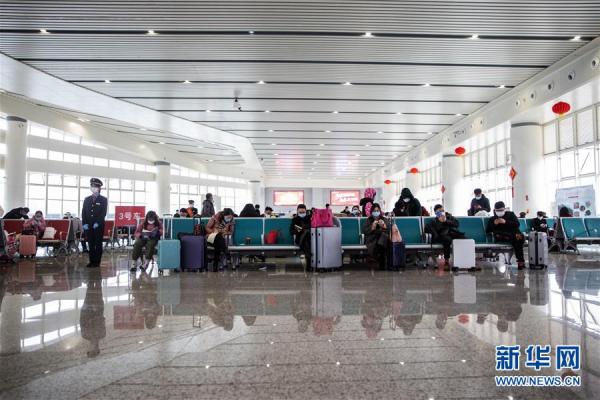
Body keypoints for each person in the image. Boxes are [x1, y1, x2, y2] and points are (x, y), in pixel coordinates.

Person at [486, 201, 525, 269]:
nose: (499, 212)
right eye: (497, 210)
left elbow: (517, 224)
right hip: (501, 236)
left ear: (504, 209)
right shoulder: (493, 219)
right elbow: (488, 230)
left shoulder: (511, 214)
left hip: (512, 235)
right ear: (494, 210)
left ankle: (520, 260)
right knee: (517, 238)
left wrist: (505, 222)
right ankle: (520, 261)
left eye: (501, 210)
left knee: (519, 238)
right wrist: (494, 224)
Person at [425, 204, 465, 270]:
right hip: (443, 236)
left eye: (442, 210)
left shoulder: (449, 216)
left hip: (453, 233)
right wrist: (440, 221)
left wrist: (446, 221)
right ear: (436, 213)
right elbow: (436, 231)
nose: (442, 212)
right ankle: (446, 261)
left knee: (465, 238)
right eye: (439, 211)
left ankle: (470, 261)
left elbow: (456, 224)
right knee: (447, 240)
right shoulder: (434, 221)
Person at [82, 178, 108, 268]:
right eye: (92, 186)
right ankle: (91, 261)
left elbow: (103, 213)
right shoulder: (87, 199)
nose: (93, 188)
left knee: (98, 243)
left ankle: (97, 262)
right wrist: (84, 223)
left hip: (98, 225)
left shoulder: (103, 200)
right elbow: (84, 212)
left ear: (99, 188)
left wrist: (98, 222)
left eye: (95, 186)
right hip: (88, 225)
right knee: (90, 243)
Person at [80, 267, 105, 358]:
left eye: (90, 349)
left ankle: (91, 270)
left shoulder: (85, 335)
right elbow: (102, 321)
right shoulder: (101, 334)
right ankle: (97, 269)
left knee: (90, 286)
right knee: (98, 286)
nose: (92, 347)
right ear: (98, 348)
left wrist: (85, 310)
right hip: (98, 309)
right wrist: (95, 314)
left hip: (88, 308)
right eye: (93, 349)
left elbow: (82, 321)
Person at [361, 203, 389, 270]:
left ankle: (378, 257)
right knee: (381, 243)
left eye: (377, 211)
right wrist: (372, 227)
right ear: (372, 212)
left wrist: (384, 226)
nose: (376, 212)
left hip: (382, 239)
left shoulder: (384, 219)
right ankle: (381, 261)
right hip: (372, 239)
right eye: (374, 211)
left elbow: (388, 229)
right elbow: (365, 231)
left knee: (383, 236)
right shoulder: (369, 220)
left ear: (380, 211)